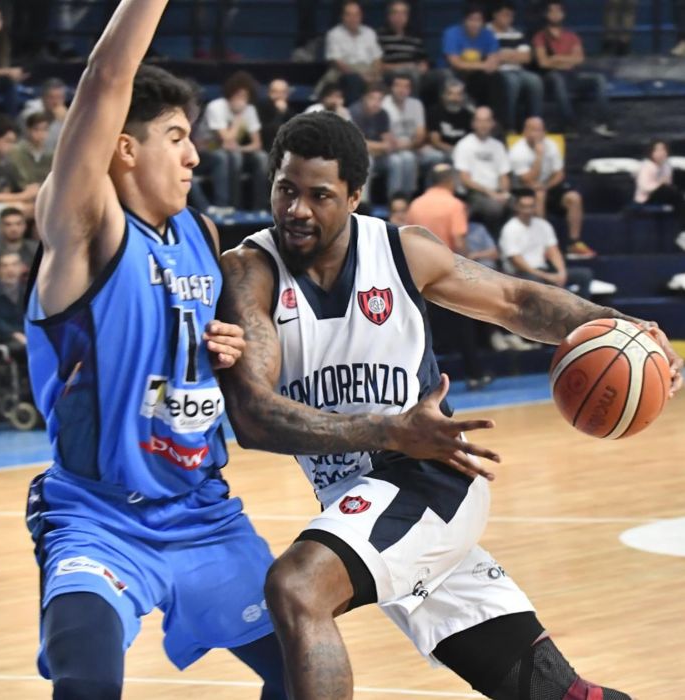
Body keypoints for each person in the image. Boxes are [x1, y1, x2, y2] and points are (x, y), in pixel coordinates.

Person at [210, 110, 682, 700]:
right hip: (361, 498)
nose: (297, 210)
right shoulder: (250, 271)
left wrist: (621, 326)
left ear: (353, 197)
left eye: (319, 195)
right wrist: (387, 430)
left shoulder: (402, 252)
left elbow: (515, 301)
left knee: (297, 588)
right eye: (286, 190)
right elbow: (254, 419)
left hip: (430, 478)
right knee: (554, 693)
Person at [22, 2, 289, 699]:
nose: (194, 155)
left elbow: (237, 370)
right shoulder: (87, 227)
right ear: (124, 149)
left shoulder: (201, 233)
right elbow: (107, 77)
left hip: (201, 513)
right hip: (98, 516)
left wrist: (228, 353)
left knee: (310, 672)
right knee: (85, 678)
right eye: (176, 137)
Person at [509, 116, 593, 258]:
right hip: (524, 189)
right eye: (533, 130)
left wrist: (547, 186)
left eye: (540, 130)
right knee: (539, 195)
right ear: (525, 132)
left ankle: (574, 242)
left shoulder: (551, 145)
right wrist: (539, 156)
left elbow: (559, 173)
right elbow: (527, 179)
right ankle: (543, 244)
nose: (537, 134)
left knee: (574, 198)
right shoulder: (518, 151)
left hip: (548, 186)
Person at [533, 2, 616, 138]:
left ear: (563, 14)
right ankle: (568, 125)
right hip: (551, 78)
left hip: (572, 75)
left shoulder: (572, 36)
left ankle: (603, 123)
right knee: (557, 79)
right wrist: (566, 61)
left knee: (599, 79)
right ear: (546, 15)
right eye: (552, 12)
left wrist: (557, 58)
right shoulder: (540, 36)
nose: (555, 15)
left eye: (558, 11)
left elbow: (579, 59)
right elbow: (543, 62)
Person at [499, 188, 593, 299]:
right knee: (536, 280)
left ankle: (582, 308)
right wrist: (546, 276)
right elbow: (517, 261)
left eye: (531, 206)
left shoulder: (543, 225)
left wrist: (561, 272)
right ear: (516, 207)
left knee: (585, 274)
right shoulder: (510, 229)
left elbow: (553, 251)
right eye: (524, 207)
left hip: (543, 270)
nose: (528, 211)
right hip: (520, 274)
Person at [201, 70, 270, 210]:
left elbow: (257, 144)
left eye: (245, 96)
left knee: (262, 157)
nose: (241, 100)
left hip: (233, 150)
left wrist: (239, 148)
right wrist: (238, 118)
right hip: (209, 149)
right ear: (230, 93)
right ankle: (230, 205)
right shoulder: (216, 106)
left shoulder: (250, 109)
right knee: (230, 156)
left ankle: (260, 207)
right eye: (238, 95)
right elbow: (226, 140)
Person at [453, 106, 512, 236]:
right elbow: (465, 179)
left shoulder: (498, 146)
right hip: (475, 193)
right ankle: (493, 240)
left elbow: (504, 175)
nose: (483, 125)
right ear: (473, 123)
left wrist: (505, 193)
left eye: (487, 121)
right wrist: (490, 193)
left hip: (496, 192)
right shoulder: (464, 145)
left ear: (492, 123)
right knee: (494, 208)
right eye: (479, 121)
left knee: (521, 204)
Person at [350, 82, 412, 203]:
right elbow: (358, 144)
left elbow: (388, 140)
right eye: (372, 98)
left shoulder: (382, 114)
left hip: (378, 154)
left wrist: (383, 146)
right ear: (364, 98)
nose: (376, 103)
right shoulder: (354, 112)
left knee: (400, 160)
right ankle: (363, 203)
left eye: (380, 99)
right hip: (358, 155)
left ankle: (397, 201)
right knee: (367, 160)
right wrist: (381, 146)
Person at [488, 1, 544, 131]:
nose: (509, 19)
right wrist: (513, 55)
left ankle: (535, 125)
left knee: (535, 80)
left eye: (511, 16)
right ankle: (509, 126)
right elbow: (493, 56)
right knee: (512, 82)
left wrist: (505, 55)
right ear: (495, 15)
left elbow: (526, 57)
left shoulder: (517, 34)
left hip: (518, 70)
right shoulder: (486, 32)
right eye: (505, 15)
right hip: (498, 72)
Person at [441, 4, 500, 113]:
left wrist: (486, 65)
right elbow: (455, 63)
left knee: (496, 78)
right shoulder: (452, 33)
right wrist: (483, 65)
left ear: (483, 22)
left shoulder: (488, 35)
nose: (474, 24)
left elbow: (493, 63)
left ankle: (490, 115)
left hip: (477, 75)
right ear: (464, 20)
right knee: (448, 76)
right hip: (455, 72)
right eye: (471, 19)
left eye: (478, 20)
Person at [323, 0, 383, 105]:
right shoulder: (334, 34)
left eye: (356, 14)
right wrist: (361, 76)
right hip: (344, 72)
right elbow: (336, 62)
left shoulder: (369, 33)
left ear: (361, 16)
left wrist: (375, 74)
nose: (353, 18)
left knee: (386, 82)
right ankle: (354, 112)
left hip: (368, 70)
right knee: (354, 80)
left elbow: (377, 58)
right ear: (343, 17)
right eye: (349, 15)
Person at [0, 114, 38, 224]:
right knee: (18, 211)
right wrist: (22, 196)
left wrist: (27, 195)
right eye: (8, 141)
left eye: (13, 142)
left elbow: (6, 192)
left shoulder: (6, 163)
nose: (11, 146)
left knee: (36, 209)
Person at [634, 139, 685, 251]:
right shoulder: (646, 166)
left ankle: (682, 232)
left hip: (664, 194)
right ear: (651, 152)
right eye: (657, 150)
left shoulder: (667, 166)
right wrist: (660, 184)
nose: (661, 153)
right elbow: (644, 187)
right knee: (675, 195)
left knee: (678, 197)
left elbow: (668, 183)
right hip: (647, 197)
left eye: (663, 150)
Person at [407, 163, 466, 252]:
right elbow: (459, 243)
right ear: (451, 181)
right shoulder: (455, 205)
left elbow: (408, 236)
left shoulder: (415, 204)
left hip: (419, 257)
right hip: (445, 258)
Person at [0, 5, 26, 116]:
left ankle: (11, 121)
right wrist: (8, 71)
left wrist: (13, 76)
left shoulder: (3, 41)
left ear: (1, 22)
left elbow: (2, 68)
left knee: (11, 84)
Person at [0, 250, 26, 352]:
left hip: (28, 335)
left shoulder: (28, 290)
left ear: (21, 268)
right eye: (4, 266)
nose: (10, 269)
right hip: (1, 339)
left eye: (14, 264)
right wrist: (12, 333)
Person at [377, 0, 428, 79]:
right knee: (410, 73)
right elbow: (378, 66)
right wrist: (403, 66)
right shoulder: (380, 36)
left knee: (443, 74)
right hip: (392, 75)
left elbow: (423, 61)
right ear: (389, 16)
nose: (400, 17)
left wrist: (423, 67)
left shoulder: (415, 37)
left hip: (415, 73)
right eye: (396, 13)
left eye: (403, 13)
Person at [427, 79, 474, 160]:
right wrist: (455, 150)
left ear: (463, 97)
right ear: (443, 95)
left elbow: (471, 141)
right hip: (440, 150)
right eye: (451, 94)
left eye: (459, 94)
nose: (455, 98)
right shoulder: (434, 112)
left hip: (463, 151)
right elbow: (435, 142)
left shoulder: (469, 115)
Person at [19, 77, 68, 154]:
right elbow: (35, 140)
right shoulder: (30, 113)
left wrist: (67, 122)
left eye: (59, 97)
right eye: (51, 97)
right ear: (43, 98)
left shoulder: (65, 117)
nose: (56, 102)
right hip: (28, 155)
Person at [8, 111, 53, 188]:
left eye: (44, 129)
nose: (41, 133)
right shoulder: (16, 152)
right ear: (28, 130)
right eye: (36, 129)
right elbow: (19, 178)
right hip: (22, 191)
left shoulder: (52, 154)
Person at [257, 78, 296, 154]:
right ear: (269, 93)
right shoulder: (261, 107)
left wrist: (285, 112)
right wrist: (279, 114)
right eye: (275, 92)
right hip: (265, 147)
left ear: (287, 94)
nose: (279, 95)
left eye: (283, 92)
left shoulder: (289, 110)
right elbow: (267, 132)